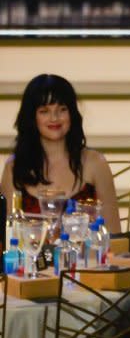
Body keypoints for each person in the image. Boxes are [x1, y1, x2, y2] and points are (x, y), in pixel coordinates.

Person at [1, 74, 121, 233]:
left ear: (72, 114)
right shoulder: (14, 168)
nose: (54, 118)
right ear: (32, 117)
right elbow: (8, 239)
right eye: (44, 111)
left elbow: (114, 235)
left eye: (62, 109)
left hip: (89, 258)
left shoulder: (96, 163)